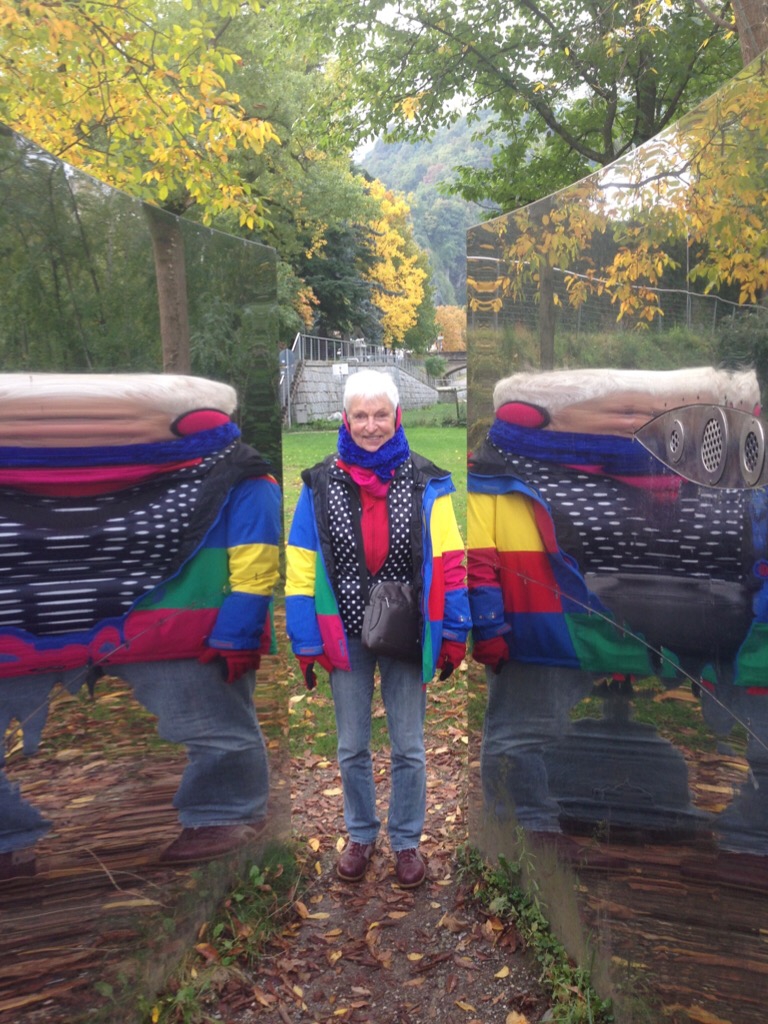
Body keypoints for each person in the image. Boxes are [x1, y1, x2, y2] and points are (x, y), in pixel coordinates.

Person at [0, 373, 281, 879]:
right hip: (23, 623)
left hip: (175, 621)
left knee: (211, 717)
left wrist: (239, 627)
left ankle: (225, 812)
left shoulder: (236, 471)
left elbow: (255, 553)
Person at [286, 369, 470, 887]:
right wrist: (305, 638)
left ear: (397, 416)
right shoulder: (320, 483)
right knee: (351, 745)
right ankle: (361, 834)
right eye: (361, 415)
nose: (371, 425)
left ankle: (406, 842)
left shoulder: (427, 480)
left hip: (406, 631)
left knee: (409, 745)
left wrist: (455, 632)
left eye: (380, 414)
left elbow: (451, 561)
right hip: (344, 632)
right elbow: (300, 564)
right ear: (346, 419)